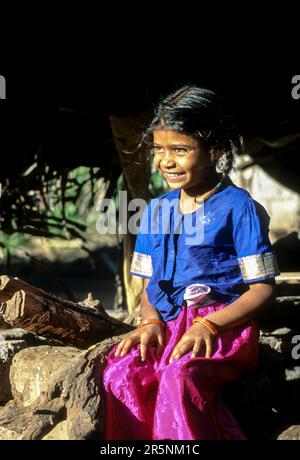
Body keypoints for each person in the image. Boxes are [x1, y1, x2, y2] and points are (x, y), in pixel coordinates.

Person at [101, 85, 280, 440]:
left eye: (180, 150)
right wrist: (150, 321)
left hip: (225, 329)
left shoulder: (238, 208)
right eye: (160, 150)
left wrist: (208, 326)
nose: (166, 161)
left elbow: (262, 289)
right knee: (120, 374)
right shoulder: (155, 211)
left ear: (214, 150)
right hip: (168, 326)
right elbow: (151, 284)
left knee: (179, 378)